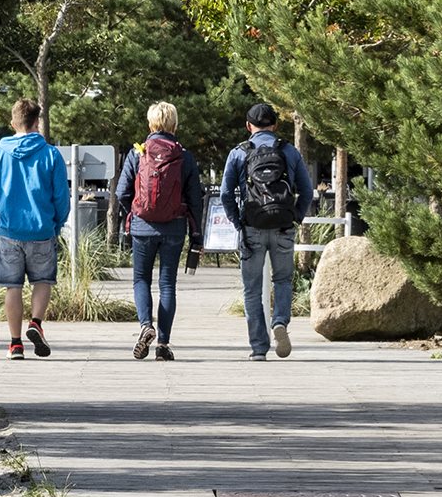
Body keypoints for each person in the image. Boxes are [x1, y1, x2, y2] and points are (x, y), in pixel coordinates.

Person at [221, 101, 315, 361]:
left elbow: (226, 193)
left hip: (252, 226)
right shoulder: (289, 151)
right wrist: (295, 217)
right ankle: (280, 322)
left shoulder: (239, 153)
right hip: (283, 226)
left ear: (248, 126)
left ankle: (259, 348)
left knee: (252, 289)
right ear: (275, 125)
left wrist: (237, 221)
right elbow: (307, 191)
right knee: (282, 280)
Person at [113, 100, 206, 361]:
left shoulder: (137, 153)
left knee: (141, 279)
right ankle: (163, 345)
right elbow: (195, 199)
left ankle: (146, 326)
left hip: (142, 226)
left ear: (150, 123)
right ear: (174, 125)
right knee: (167, 284)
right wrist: (196, 233)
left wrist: (134, 210)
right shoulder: (184, 156)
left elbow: (122, 192)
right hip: (174, 227)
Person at [0, 99, 69, 360]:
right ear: (36, 123)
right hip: (41, 230)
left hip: (9, 231)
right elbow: (61, 196)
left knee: (12, 287)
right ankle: (36, 323)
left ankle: (15, 344)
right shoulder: (51, 154)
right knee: (42, 281)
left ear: (13, 123)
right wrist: (57, 222)